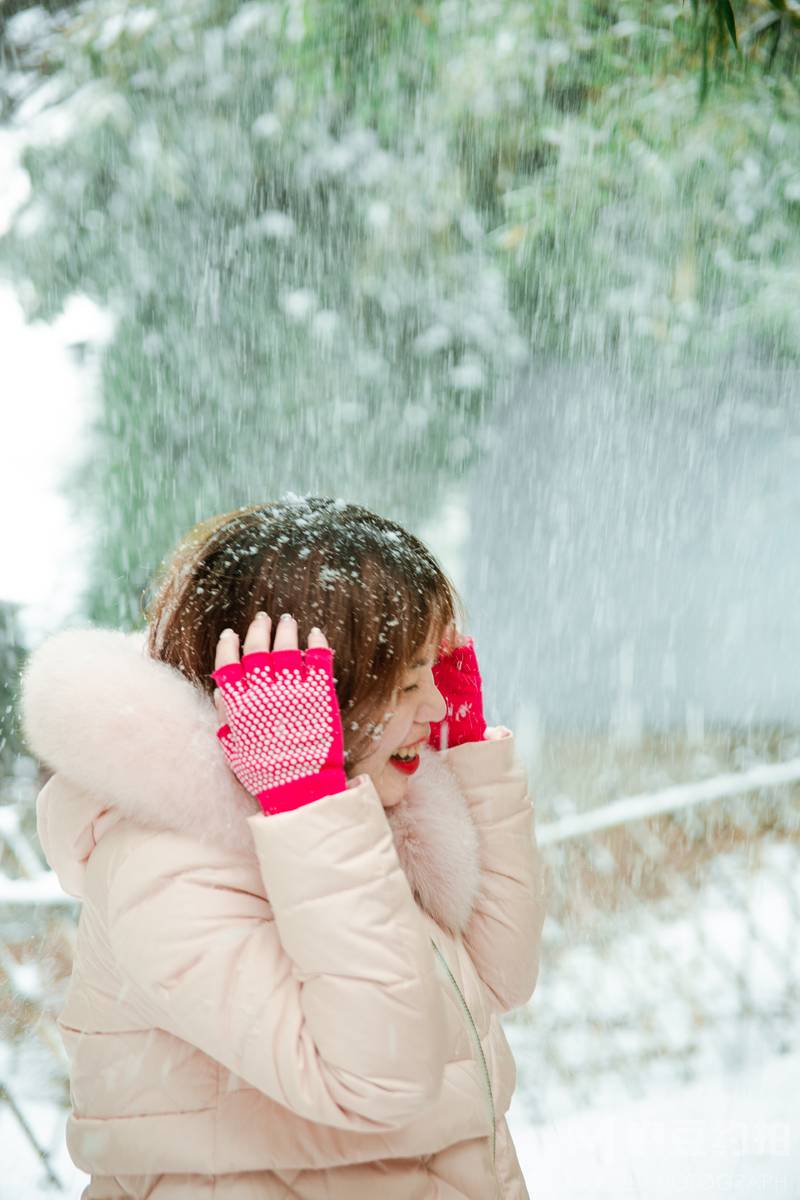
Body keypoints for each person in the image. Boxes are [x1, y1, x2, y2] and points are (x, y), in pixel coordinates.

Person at [21, 495, 549, 1200]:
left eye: (436, 673)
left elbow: (501, 977)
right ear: (321, 691)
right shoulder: (168, 867)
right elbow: (381, 1079)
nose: (437, 707)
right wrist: (310, 801)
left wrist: (465, 751)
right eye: (410, 680)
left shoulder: (356, 818)